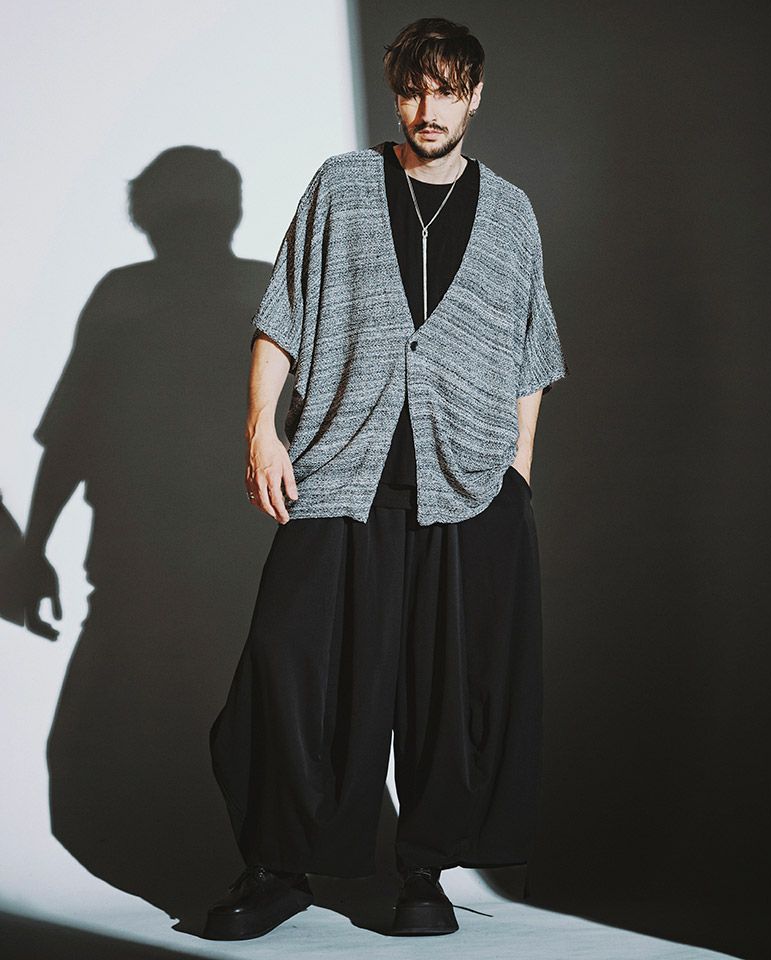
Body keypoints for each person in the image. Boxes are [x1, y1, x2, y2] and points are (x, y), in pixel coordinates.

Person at [204, 16, 569, 940]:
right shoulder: (342, 186)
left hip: (470, 487)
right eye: (412, 89)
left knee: (448, 687)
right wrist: (261, 433)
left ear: (474, 96)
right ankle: (279, 866)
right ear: (395, 94)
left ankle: (424, 871)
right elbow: (283, 316)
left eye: (445, 91)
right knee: (294, 667)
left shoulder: (511, 212)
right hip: (343, 473)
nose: (427, 109)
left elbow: (531, 355)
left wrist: (518, 478)